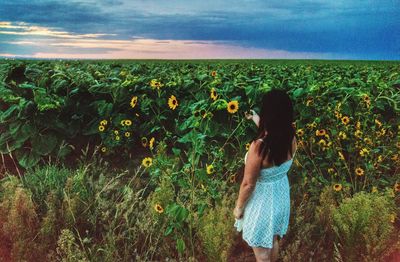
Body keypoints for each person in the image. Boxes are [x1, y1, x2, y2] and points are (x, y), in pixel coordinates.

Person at [233, 89, 297, 262]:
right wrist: (254, 117)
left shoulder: (259, 147)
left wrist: (238, 208)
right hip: (281, 197)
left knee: (262, 256)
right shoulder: (290, 137)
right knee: (272, 241)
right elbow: (273, 132)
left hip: (262, 204)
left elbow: (248, 184)